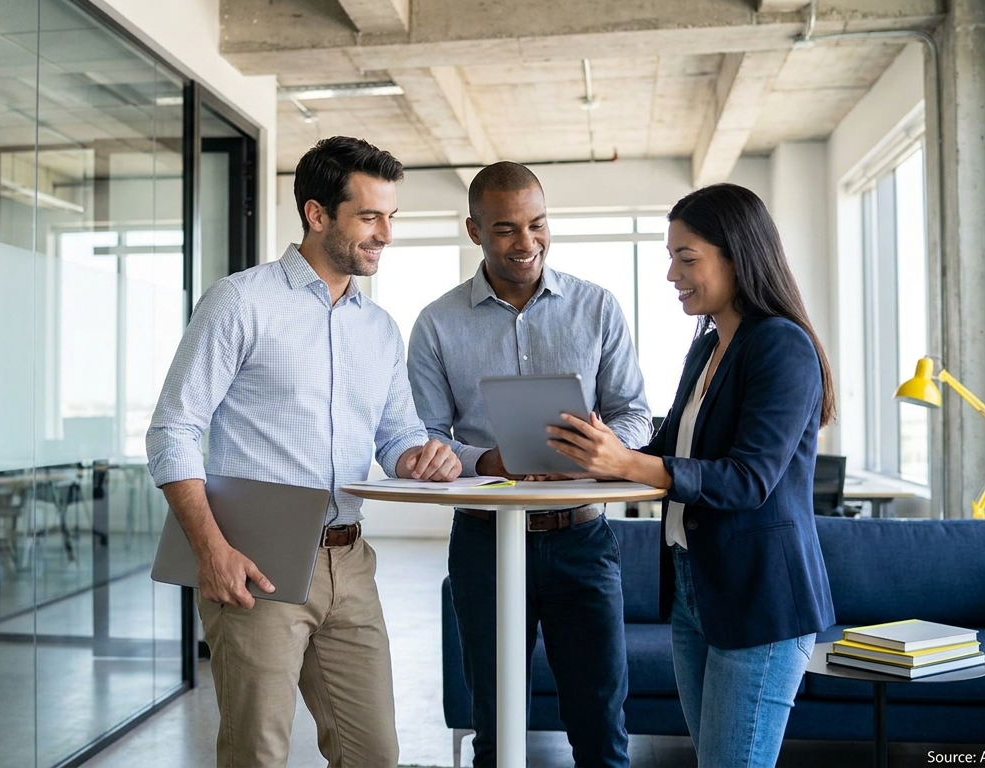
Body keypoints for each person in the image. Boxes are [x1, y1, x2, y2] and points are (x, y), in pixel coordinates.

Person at [146, 135, 460, 768]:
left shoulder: (377, 327)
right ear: (317, 215)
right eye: (369, 217)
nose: (386, 235)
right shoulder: (240, 301)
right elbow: (172, 431)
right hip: (254, 564)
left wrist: (421, 457)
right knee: (257, 754)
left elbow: (396, 433)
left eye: (390, 217)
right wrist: (212, 551)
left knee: (373, 752)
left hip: (351, 558)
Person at [548, 183, 837, 768]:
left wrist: (628, 463)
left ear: (736, 254)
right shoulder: (706, 349)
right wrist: (590, 457)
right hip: (693, 587)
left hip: (759, 599)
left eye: (687, 257)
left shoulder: (781, 345)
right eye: (669, 257)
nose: (671, 274)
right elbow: (664, 450)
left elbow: (747, 480)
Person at [407, 161, 652, 768]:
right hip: (484, 544)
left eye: (538, 225)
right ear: (474, 231)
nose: (526, 244)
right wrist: (488, 459)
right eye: (506, 230)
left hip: (582, 539)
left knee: (600, 724)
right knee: (494, 722)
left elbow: (636, 415)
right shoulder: (437, 323)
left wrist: (600, 453)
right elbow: (425, 435)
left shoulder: (597, 308)